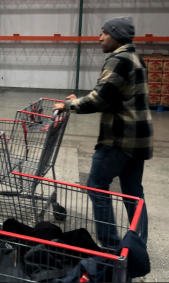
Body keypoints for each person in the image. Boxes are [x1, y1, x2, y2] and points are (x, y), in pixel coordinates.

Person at [53, 16, 152, 249]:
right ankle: (138, 246)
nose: (100, 38)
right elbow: (113, 96)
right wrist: (80, 100)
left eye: (104, 33)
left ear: (116, 35)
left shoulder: (118, 60)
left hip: (119, 138)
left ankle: (110, 247)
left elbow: (98, 101)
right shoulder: (136, 59)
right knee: (133, 194)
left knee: (96, 185)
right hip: (138, 139)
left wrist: (67, 106)